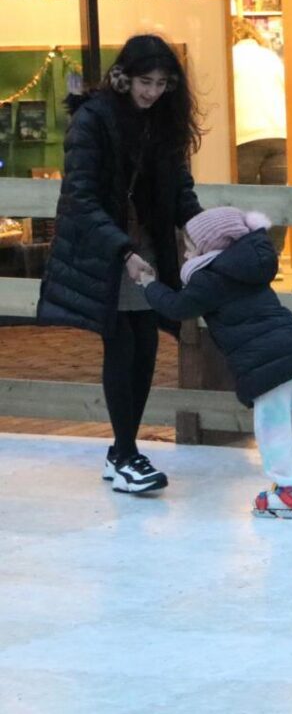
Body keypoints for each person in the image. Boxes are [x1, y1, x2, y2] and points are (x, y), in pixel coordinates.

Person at [36, 33, 205, 494]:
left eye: (162, 83)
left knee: (146, 341)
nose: (152, 92)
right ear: (123, 77)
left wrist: (202, 225)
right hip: (106, 250)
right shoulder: (93, 120)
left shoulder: (162, 122)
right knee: (122, 342)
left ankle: (122, 452)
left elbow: (178, 186)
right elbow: (81, 198)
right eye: (144, 82)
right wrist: (123, 251)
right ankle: (126, 452)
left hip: (146, 244)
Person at [134, 207, 292, 519]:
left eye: (190, 247)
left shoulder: (210, 278)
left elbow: (177, 307)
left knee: (272, 427)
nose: (185, 254)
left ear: (210, 247)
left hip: (266, 363)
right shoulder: (247, 266)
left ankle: (287, 490)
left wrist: (149, 285)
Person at [231, 19, 288, 257]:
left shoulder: (229, 58)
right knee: (275, 201)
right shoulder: (271, 58)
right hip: (278, 133)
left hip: (245, 135)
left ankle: (247, 255)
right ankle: (272, 254)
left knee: (244, 200)